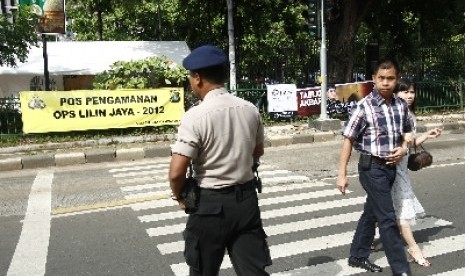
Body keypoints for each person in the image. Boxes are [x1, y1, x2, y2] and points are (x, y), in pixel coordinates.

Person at [169, 45, 272, 276]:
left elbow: (177, 172)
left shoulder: (195, 116)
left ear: (197, 78)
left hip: (209, 207)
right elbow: (258, 152)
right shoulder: (250, 109)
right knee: (253, 272)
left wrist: (179, 196)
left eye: (190, 77)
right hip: (246, 202)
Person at [336, 58, 412, 276]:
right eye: (381, 78)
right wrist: (341, 175)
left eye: (390, 78)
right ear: (373, 79)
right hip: (371, 169)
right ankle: (401, 270)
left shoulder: (400, 105)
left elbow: (407, 131)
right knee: (387, 218)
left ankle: (357, 256)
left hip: (390, 169)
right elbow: (348, 139)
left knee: (372, 212)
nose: (386, 83)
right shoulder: (364, 106)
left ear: (397, 79)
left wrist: (404, 147)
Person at [390, 78, 442, 267]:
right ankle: (413, 248)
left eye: (412, 92)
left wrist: (427, 135)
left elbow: (409, 145)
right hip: (392, 165)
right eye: (405, 92)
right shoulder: (394, 113)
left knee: (384, 205)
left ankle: (366, 239)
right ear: (396, 93)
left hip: (401, 166)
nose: (410, 95)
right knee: (402, 208)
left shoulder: (410, 114)